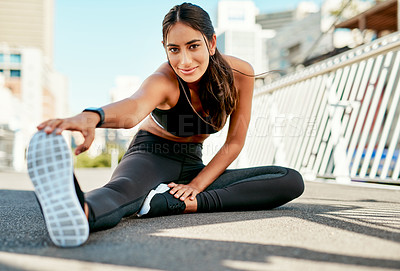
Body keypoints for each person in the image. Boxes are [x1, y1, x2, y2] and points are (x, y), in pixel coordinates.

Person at [26, 3, 304, 248]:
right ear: (165, 49)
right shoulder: (164, 80)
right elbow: (133, 108)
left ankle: (172, 203)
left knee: (289, 179)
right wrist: (93, 116)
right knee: (123, 191)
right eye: (174, 49)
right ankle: (78, 211)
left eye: (193, 46)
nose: (184, 61)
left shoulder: (240, 73)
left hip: (194, 165)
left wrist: (196, 187)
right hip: (151, 154)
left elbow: (235, 142)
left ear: (212, 43)